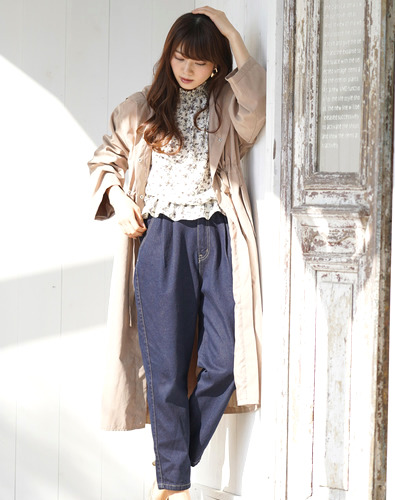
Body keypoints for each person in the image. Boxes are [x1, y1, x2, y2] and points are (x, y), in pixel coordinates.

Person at [88, 6, 265, 500]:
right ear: (168, 56)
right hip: (162, 239)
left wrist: (230, 32)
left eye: (199, 61)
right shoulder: (141, 108)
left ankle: (171, 468)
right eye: (180, 57)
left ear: (216, 65)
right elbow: (104, 159)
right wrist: (119, 197)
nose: (187, 69)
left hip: (215, 236)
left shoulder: (227, 104)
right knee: (164, 370)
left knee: (224, 362)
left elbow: (256, 105)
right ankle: (175, 487)